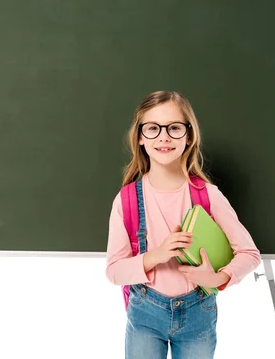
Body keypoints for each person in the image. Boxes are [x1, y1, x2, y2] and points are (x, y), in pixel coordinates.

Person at [105, 90, 261, 359]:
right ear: (140, 137)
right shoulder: (127, 199)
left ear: (188, 136)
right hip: (145, 313)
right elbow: (115, 272)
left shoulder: (208, 195)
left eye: (174, 128)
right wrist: (155, 256)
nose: (163, 136)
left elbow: (249, 253)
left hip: (197, 313)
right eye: (153, 128)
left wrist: (217, 278)